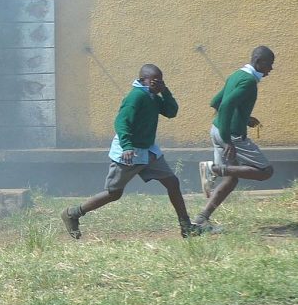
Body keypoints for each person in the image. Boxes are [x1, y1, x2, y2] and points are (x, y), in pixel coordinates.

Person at [60, 64, 197, 239]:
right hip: (129, 153)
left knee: (172, 182)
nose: (158, 84)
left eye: (161, 81)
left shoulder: (152, 96)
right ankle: (73, 213)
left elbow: (171, 112)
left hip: (148, 151)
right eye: (155, 81)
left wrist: (165, 91)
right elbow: (121, 122)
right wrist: (127, 146)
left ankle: (186, 226)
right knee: (113, 193)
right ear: (143, 80)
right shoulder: (136, 96)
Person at [195, 46, 275, 230]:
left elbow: (216, 102)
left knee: (231, 178)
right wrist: (228, 139)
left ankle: (201, 218)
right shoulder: (248, 81)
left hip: (217, 129)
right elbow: (225, 106)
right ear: (259, 61)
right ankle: (213, 169)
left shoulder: (236, 75)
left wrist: (245, 118)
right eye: (269, 64)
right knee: (265, 171)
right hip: (230, 135)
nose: (271, 69)